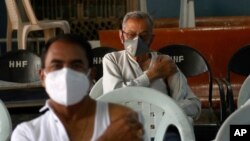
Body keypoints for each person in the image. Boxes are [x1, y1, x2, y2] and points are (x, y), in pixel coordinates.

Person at [11, 34, 144, 141]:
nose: (66, 74)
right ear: (42, 77)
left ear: (91, 74)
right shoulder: (27, 135)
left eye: (76, 65)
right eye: (56, 66)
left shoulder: (123, 119)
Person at [102, 11, 201, 121]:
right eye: (131, 35)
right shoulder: (113, 59)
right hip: (127, 127)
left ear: (151, 39)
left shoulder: (163, 62)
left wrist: (167, 110)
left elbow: (194, 104)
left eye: (143, 36)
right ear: (121, 36)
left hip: (162, 126)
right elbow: (112, 97)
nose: (137, 41)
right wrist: (151, 75)